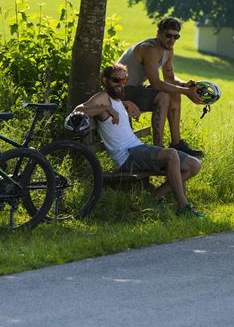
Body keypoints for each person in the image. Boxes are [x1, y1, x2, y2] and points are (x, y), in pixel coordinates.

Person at [73, 63, 204, 217]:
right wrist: (105, 109)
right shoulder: (102, 98)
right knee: (171, 155)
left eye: (124, 81)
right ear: (105, 81)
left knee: (194, 165)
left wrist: (125, 104)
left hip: (138, 149)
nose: (120, 85)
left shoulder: (117, 100)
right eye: (116, 80)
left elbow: (117, 103)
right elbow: (78, 111)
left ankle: (154, 197)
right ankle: (184, 207)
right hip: (127, 155)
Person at [118, 17, 204, 157]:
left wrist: (184, 85)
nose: (172, 40)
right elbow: (156, 83)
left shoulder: (168, 50)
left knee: (174, 94)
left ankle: (176, 143)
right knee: (163, 96)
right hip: (121, 91)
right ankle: (158, 148)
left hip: (135, 88)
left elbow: (169, 77)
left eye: (176, 37)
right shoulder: (150, 48)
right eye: (168, 35)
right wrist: (186, 92)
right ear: (159, 33)